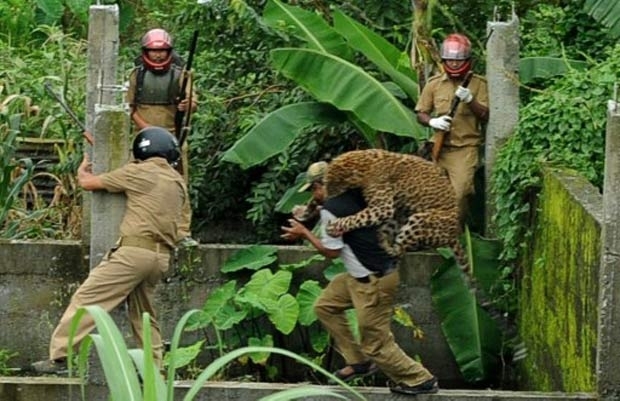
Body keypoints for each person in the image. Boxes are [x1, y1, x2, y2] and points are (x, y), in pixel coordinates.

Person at [32, 126, 187, 374]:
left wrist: (84, 167)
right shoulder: (177, 181)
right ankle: (155, 369)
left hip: (133, 254)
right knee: (144, 315)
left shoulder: (138, 173)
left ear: (140, 151)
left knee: (88, 299)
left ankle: (60, 357)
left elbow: (88, 182)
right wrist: (100, 143)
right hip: (160, 257)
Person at [281, 162, 439, 396]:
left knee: (375, 344)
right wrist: (307, 212)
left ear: (319, 186)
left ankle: (420, 379)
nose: (313, 196)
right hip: (363, 275)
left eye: (313, 190)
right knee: (325, 306)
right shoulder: (360, 194)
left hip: (372, 282)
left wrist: (303, 233)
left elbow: (331, 252)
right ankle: (358, 362)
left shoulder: (331, 210)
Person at [126, 28, 198, 247]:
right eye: (153, 51)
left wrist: (187, 105)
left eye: (162, 51)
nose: (158, 55)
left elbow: (193, 103)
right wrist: (147, 129)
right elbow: (129, 108)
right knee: (138, 183)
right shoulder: (136, 75)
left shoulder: (182, 75)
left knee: (178, 184)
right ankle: (140, 231)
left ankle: (182, 232)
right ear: (145, 51)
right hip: (143, 139)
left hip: (174, 139)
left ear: (169, 52)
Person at [415, 33, 489, 222]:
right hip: (438, 147)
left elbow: (486, 115)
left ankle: (453, 234)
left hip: (464, 149)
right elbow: (421, 113)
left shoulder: (479, 84)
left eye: (459, 60)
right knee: (429, 194)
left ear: (467, 60)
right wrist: (432, 121)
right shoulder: (434, 84)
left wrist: (470, 100)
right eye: (450, 60)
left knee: (460, 193)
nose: (454, 64)